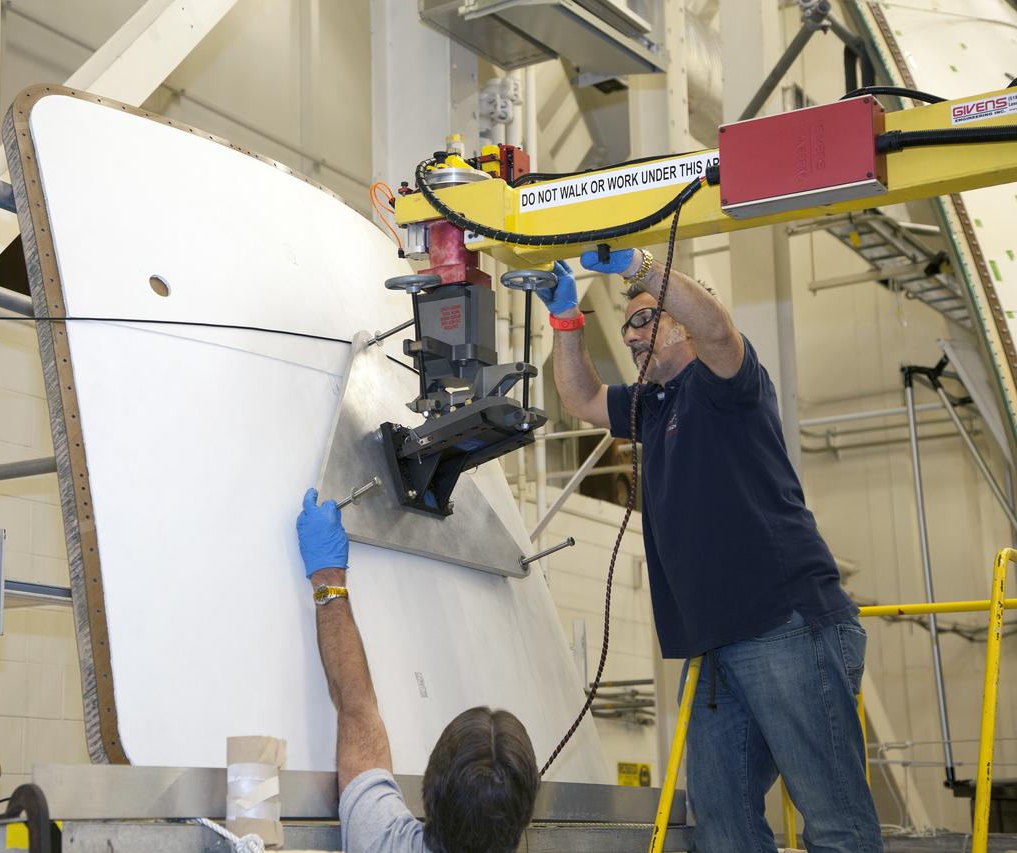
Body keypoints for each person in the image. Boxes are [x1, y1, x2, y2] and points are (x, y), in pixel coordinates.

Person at [537, 249, 882, 852]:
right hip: (713, 647)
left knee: (835, 825)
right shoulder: (653, 405)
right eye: (628, 326)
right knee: (722, 830)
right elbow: (581, 400)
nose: (635, 336)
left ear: (684, 326)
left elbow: (720, 328)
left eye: (648, 320)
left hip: (786, 624)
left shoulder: (726, 383)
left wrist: (639, 267)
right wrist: (567, 321)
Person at [295, 488, 538, 853]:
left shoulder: (384, 842)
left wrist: (327, 580)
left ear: (428, 790)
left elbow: (356, 707)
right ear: (526, 818)